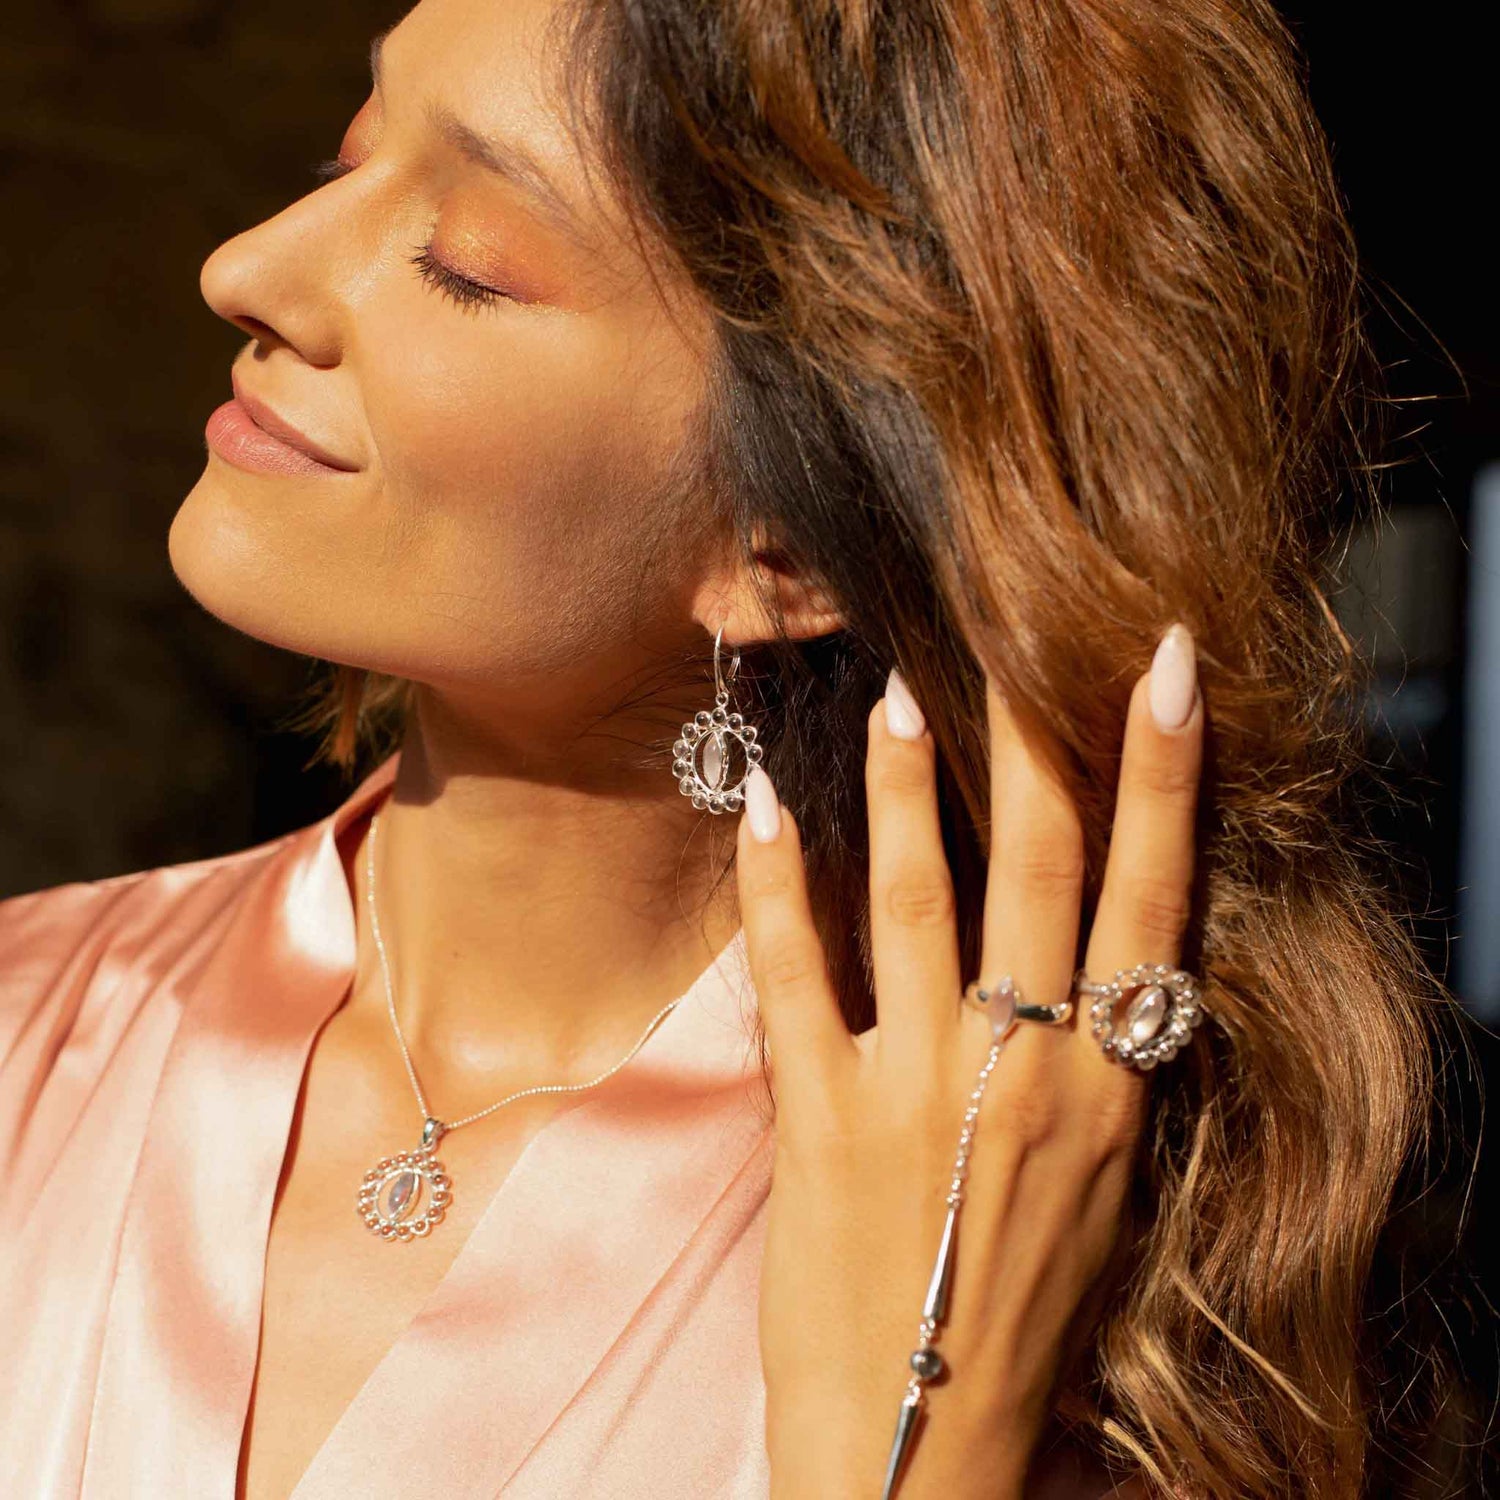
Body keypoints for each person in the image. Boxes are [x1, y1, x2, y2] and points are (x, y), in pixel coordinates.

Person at [0, 0, 1463, 1495]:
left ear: (785, 554)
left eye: (465, 262)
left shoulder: (1031, 1241)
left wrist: (923, 1447)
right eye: (342, 156)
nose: (243, 268)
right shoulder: (31, 1023)